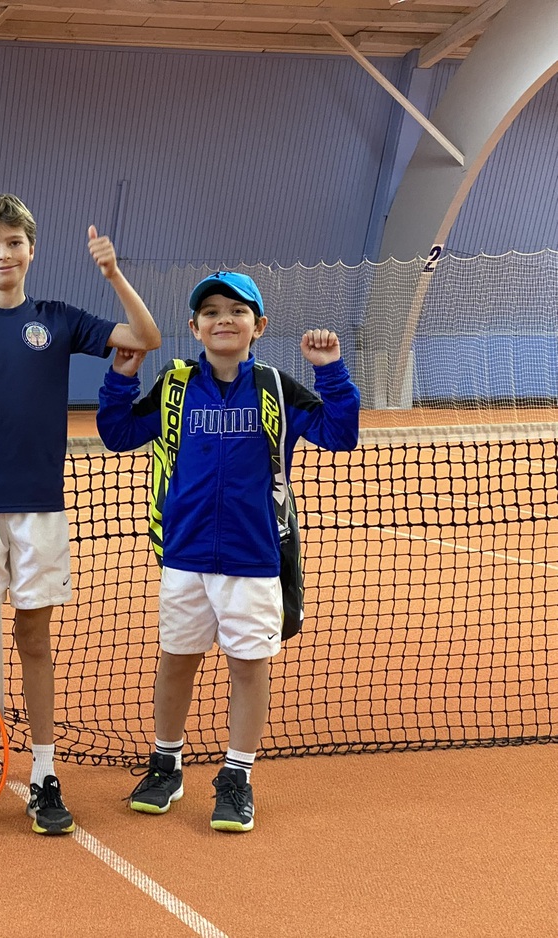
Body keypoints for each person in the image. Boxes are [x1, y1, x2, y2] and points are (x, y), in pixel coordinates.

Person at [0, 194, 161, 836]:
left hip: (40, 514)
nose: (3, 254)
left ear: (30, 249)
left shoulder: (58, 319)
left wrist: (112, 273)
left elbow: (145, 338)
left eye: (13, 243)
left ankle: (46, 775)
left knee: (34, 640)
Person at [96, 270, 359, 832]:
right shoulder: (175, 385)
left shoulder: (276, 388)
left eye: (237, 311)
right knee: (176, 663)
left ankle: (237, 776)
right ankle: (167, 763)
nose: (223, 319)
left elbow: (340, 434)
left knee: (248, 669)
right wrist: (121, 379)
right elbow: (118, 433)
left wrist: (331, 371)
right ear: (194, 325)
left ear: (258, 326)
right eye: (211, 311)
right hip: (185, 556)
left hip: (254, 558)